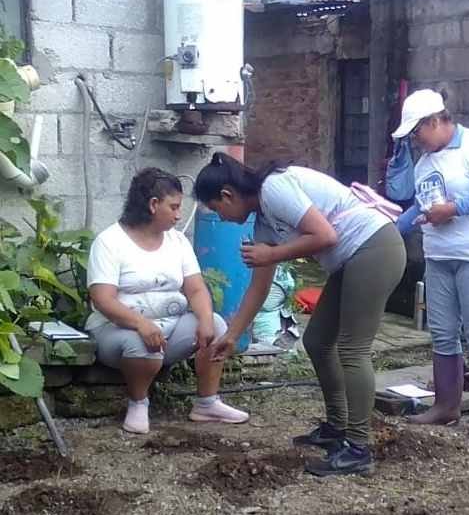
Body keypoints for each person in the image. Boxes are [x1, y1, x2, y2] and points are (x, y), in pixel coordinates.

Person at [193, 153, 405, 477]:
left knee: (352, 348)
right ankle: (337, 427)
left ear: (228, 195)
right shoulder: (263, 219)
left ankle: (359, 448)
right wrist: (233, 335)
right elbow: (258, 287)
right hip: (351, 258)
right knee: (317, 341)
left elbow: (325, 236)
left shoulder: (275, 188)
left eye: (217, 209)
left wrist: (274, 253)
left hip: (374, 248)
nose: (220, 218)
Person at [86, 168, 249, 435]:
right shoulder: (109, 242)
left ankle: (207, 403)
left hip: (170, 329)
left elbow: (196, 289)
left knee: (217, 327)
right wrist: (141, 323)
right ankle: (139, 402)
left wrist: (206, 319)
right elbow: (103, 299)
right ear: (153, 205)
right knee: (140, 343)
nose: (179, 214)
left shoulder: (177, 241)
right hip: (117, 332)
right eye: (173, 207)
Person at [389, 89, 469, 439]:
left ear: (436, 121)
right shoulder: (425, 161)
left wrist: (452, 209)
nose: (415, 139)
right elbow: (420, 206)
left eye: (417, 131)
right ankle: (445, 406)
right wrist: (391, 226)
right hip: (440, 255)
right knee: (442, 331)